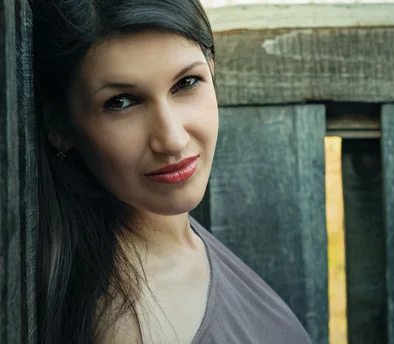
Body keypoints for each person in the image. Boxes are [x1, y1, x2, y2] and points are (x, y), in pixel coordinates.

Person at [32, 1, 313, 343]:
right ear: (59, 125)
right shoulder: (131, 326)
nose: (172, 139)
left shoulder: (171, 240)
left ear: (212, 70)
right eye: (121, 102)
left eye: (187, 82)